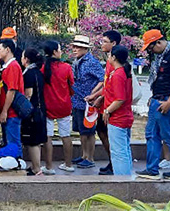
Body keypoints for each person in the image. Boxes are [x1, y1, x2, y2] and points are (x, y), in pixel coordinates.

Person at [135, 29, 170, 180]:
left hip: (167, 100)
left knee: (169, 135)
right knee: (151, 134)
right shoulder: (162, 56)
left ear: (159, 42)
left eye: (151, 48)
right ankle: (152, 169)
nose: (151, 51)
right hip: (158, 99)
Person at [87, 30, 121, 175]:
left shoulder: (116, 63)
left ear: (114, 43)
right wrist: (96, 95)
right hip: (105, 103)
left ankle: (116, 163)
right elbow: (106, 84)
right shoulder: (109, 60)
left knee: (109, 134)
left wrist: (99, 97)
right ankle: (112, 161)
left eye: (105, 41)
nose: (102, 44)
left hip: (111, 106)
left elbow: (114, 88)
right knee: (101, 132)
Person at [69, 35, 103, 169]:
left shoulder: (91, 62)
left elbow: (102, 79)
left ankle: (90, 158)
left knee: (89, 130)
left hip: (88, 102)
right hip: (77, 100)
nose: (74, 49)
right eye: (74, 47)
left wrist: (93, 93)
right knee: (81, 130)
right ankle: (84, 155)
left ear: (85, 48)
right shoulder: (77, 61)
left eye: (77, 47)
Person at [41, 40, 75, 173]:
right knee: (66, 135)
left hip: (48, 106)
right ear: (55, 52)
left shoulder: (42, 68)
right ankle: (68, 164)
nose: (61, 52)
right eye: (59, 49)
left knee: (47, 137)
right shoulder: (66, 67)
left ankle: (49, 166)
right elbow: (72, 86)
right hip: (64, 106)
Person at [102, 45, 135, 175]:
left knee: (118, 151)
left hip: (118, 118)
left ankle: (122, 179)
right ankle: (126, 176)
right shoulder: (124, 72)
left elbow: (120, 99)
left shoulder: (118, 74)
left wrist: (107, 111)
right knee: (124, 149)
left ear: (114, 57)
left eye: (110, 55)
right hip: (125, 116)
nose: (108, 57)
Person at [0, 39, 24, 161]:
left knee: (13, 142)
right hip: (8, 111)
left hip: (11, 112)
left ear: (7, 50)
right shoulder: (6, 66)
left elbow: (11, 90)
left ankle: (17, 164)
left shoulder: (13, 66)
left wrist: (5, 111)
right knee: (9, 141)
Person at [21, 48, 48, 175]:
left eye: (22, 56)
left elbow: (28, 94)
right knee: (37, 141)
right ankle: (36, 166)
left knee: (33, 141)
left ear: (26, 59)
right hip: (41, 109)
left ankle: (36, 168)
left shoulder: (29, 74)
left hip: (33, 111)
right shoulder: (38, 72)